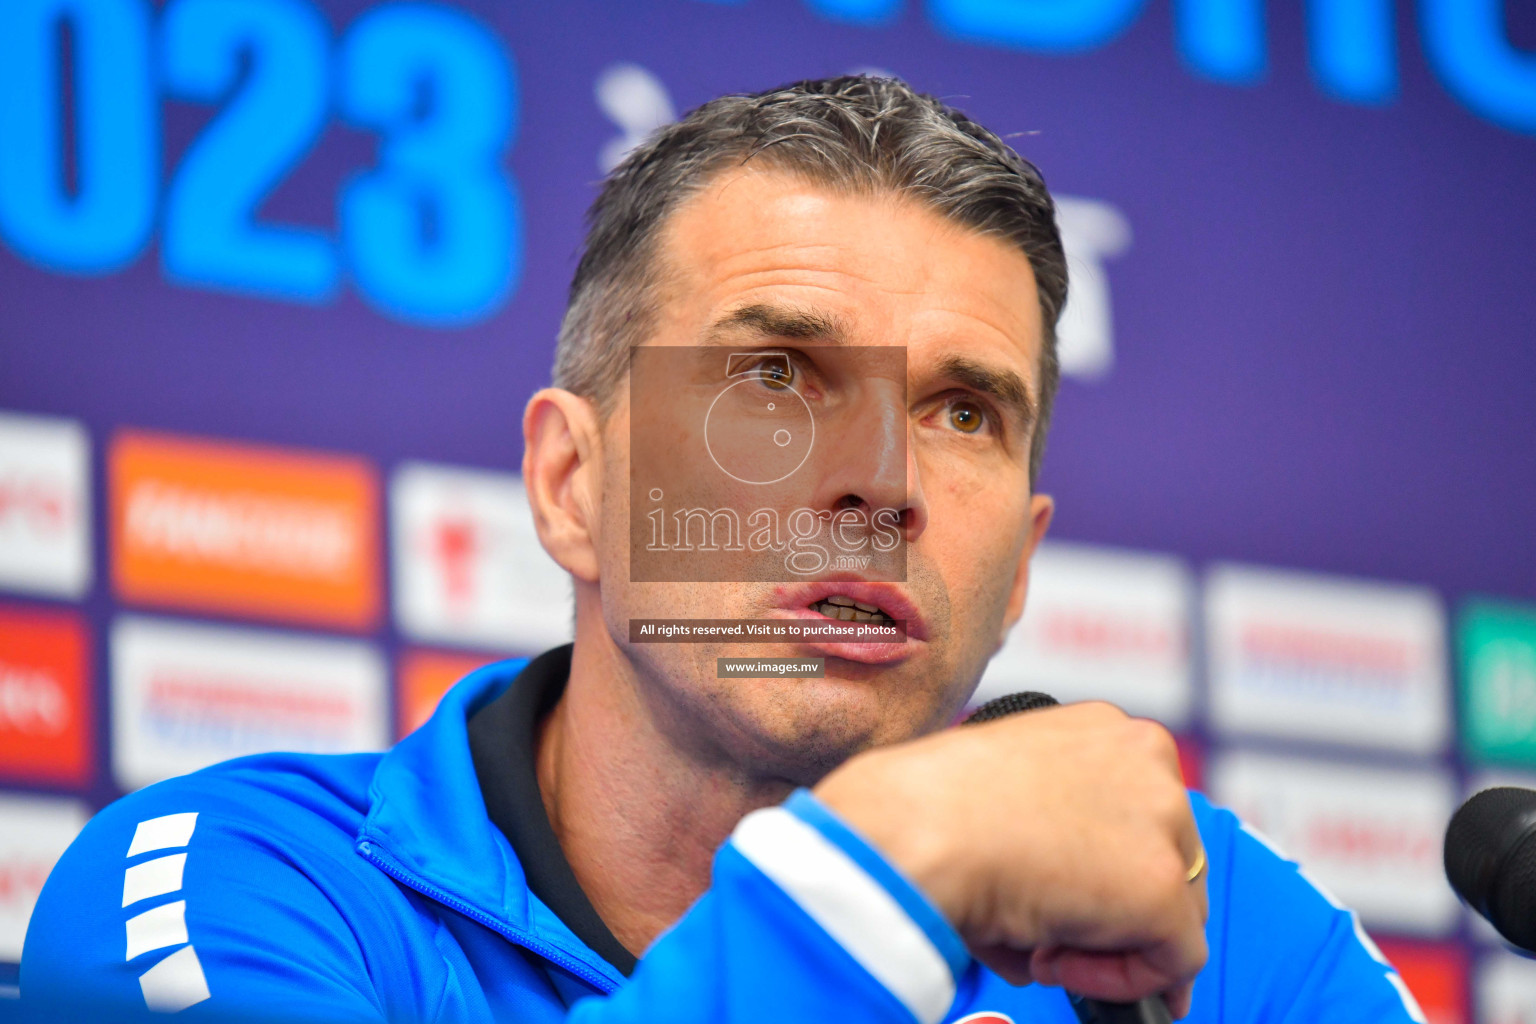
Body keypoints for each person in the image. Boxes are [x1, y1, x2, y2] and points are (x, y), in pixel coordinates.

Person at [21, 76, 1422, 1024]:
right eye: (775, 379)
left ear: (1024, 562)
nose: (882, 487)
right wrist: (889, 871)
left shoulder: (1196, 912)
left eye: (962, 411)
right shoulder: (239, 880)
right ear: (573, 484)